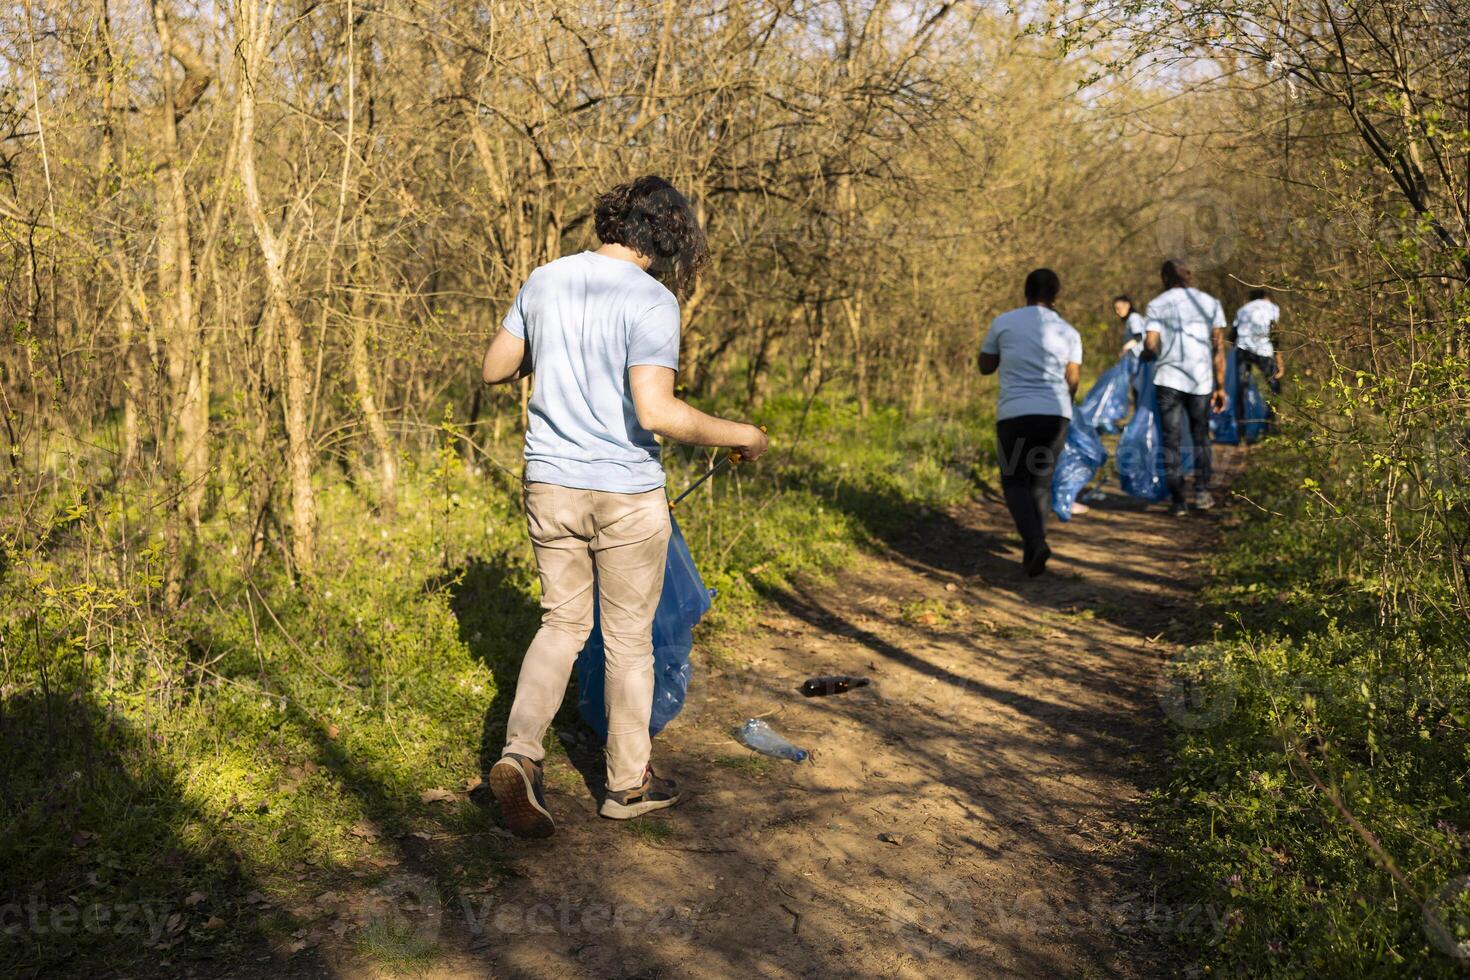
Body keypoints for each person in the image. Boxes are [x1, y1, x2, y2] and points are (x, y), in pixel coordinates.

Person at [479, 176, 769, 837]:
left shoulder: (546, 279)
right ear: (668, 233)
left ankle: (520, 753)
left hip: (549, 484)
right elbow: (656, 411)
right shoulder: (651, 300)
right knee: (629, 641)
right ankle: (627, 784)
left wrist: (554, 351)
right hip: (624, 493)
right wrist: (744, 434)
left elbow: (496, 367)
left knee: (560, 626)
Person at [978, 268, 1082, 576]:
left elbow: (985, 365)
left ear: (1025, 290)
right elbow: (1072, 379)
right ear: (1056, 295)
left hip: (1015, 413)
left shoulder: (1004, 322)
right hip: (1056, 413)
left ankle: (1035, 543)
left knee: (1014, 480)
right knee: (1040, 482)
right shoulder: (1068, 331)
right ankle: (1034, 548)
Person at [1143, 259, 1229, 516]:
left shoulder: (1157, 304)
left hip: (1168, 379)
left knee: (1171, 440)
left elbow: (1150, 344)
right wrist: (1221, 386)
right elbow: (1218, 347)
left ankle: (1178, 501)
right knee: (1201, 436)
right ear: (1190, 276)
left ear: (1165, 278)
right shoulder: (1209, 303)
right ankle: (1202, 492)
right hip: (1200, 380)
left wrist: (1157, 351)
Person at [1232, 287, 1284, 411]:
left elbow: (1233, 335)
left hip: (1243, 349)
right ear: (1265, 297)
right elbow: (1274, 333)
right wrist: (1279, 360)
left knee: (1241, 387)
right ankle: (1272, 419)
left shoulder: (1242, 310)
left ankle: (1241, 423)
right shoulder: (1272, 308)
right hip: (1264, 350)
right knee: (1274, 385)